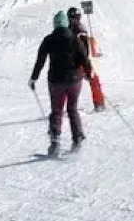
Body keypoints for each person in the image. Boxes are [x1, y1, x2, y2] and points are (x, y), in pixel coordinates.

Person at [29, 10, 90, 155]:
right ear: (66, 24)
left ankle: (55, 139)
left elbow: (40, 60)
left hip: (56, 81)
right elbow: (84, 58)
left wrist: (34, 78)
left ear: (55, 24)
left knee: (57, 110)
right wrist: (88, 74)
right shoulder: (75, 39)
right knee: (72, 108)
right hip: (75, 80)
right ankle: (78, 136)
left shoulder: (49, 39)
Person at [67, 6, 106, 112]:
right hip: (81, 61)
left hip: (71, 62)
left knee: (68, 84)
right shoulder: (79, 29)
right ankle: (99, 103)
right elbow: (83, 48)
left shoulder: (69, 29)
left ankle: (64, 108)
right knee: (94, 80)